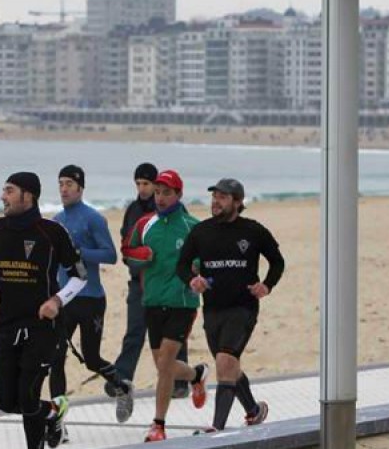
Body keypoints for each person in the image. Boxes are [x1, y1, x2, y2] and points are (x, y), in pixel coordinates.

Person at [0, 172, 88, 449]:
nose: (2, 197)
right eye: (3, 190)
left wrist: (57, 301)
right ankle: (54, 412)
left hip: (42, 328)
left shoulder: (52, 232)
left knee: (28, 396)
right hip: (7, 325)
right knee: (7, 402)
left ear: (28, 195)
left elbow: (80, 276)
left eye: (9, 191)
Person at [176, 178, 285, 434]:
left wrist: (267, 285)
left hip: (243, 308)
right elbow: (181, 265)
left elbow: (277, 261)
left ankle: (217, 427)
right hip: (213, 309)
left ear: (237, 202)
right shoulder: (201, 232)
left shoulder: (253, 231)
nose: (216, 201)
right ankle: (253, 410)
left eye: (223, 197)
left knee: (225, 362)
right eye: (214, 196)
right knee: (230, 367)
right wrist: (193, 279)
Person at [122, 169, 209, 442]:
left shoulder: (193, 227)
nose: (160, 197)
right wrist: (141, 255)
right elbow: (126, 250)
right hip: (152, 300)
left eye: (166, 193)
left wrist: (199, 276)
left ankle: (158, 426)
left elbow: (206, 262)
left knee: (165, 363)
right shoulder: (145, 224)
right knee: (164, 365)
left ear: (179, 195)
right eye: (157, 192)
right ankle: (196, 374)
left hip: (182, 302)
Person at [49, 165, 134, 439]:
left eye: (69, 184)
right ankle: (57, 424)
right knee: (56, 357)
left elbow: (110, 255)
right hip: (64, 299)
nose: (63, 189)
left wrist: (78, 252)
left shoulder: (93, 219)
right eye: (60, 184)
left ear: (80, 188)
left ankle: (122, 387)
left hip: (91, 299)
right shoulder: (55, 221)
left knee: (92, 358)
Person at [106, 162, 190, 399]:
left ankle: (180, 382)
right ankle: (121, 379)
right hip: (139, 282)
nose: (142, 189)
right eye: (139, 184)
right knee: (134, 331)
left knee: (173, 335)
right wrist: (138, 258)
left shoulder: (177, 212)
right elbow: (126, 246)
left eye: (147, 184)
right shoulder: (133, 210)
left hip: (170, 283)